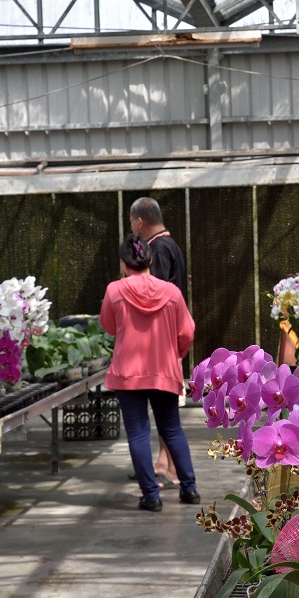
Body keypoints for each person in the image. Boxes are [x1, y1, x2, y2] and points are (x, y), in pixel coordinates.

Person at [99, 233, 200, 512]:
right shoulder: (171, 292)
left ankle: (150, 496)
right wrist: (174, 353)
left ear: (123, 263)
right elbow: (188, 331)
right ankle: (189, 489)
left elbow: (108, 325)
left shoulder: (114, 291)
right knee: (172, 429)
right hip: (164, 370)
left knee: (138, 433)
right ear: (150, 259)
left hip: (127, 374)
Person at [129, 196, 187, 484]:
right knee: (165, 407)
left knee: (164, 409)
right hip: (168, 339)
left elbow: (154, 295)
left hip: (160, 342)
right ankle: (164, 462)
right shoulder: (169, 245)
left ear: (139, 221)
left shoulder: (159, 249)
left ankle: (174, 468)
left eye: (131, 223)